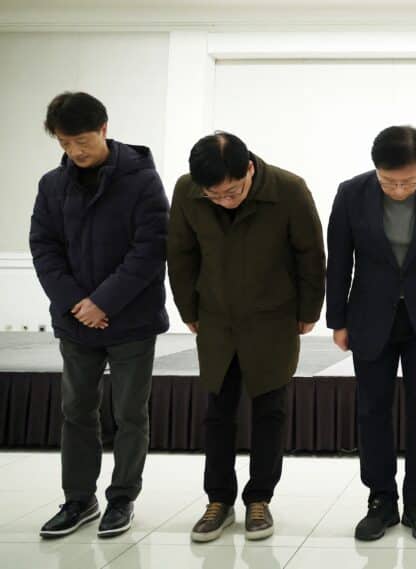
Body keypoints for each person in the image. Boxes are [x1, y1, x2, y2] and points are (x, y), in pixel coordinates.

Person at [167, 132, 326, 543]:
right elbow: (181, 254)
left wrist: (310, 310)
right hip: (216, 319)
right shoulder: (187, 191)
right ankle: (218, 501)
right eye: (214, 196)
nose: (225, 200)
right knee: (218, 411)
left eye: (232, 191)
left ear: (250, 169)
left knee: (269, 410)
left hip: (273, 317)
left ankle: (260, 499)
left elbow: (310, 253)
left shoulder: (288, 189)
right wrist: (189, 309)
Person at [31, 92, 169, 540]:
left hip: (130, 319)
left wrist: (103, 303)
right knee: (76, 410)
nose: (75, 151)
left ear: (104, 128)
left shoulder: (142, 181)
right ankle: (78, 499)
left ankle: (122, 497)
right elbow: (44, 248)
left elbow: (150, 250)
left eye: (83, 140)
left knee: (130, 412)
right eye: (66, 143)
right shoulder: (52, 186)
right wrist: (77, 303)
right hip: (76, 321)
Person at [326, 125, 416, 541]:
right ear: (376, 170)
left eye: (407, 181)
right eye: (389, 180)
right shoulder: (351, 193)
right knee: (372, 409)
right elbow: (339, 260)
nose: (398, 188)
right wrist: (337, 319)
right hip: (370, 317)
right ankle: (380, 500)